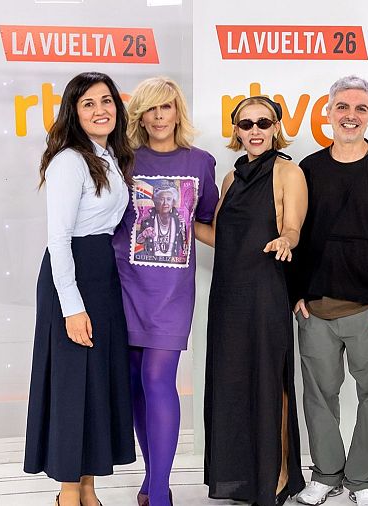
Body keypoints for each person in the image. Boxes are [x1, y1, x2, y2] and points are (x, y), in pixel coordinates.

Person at [289, 75, 368, 506]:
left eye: (360, 108)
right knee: (319, 398)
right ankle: (325, 474)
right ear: (328, 113)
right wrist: (295, 295)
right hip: (316, 311)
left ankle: (363, 481)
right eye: (342, 107)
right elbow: (293, 234)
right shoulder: (308, 170)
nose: (351, 116)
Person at [24, 71, 136, 506]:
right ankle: (68, 494)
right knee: (73, 384)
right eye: (88, 103)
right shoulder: (69, 160)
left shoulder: (109, 157)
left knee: (95, 383)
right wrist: (72, 307)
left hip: (103, 274)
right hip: (72, 275)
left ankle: (88, 489)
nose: (100, 110)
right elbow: (59, 239)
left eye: (106, 100)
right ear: (73, 111)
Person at [112, 76, 219, 506]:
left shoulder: (201, 162)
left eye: (166, 107)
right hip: (124, 286)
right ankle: (151, 478)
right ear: (140, 116)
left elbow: (208, 223)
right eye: (150, 109)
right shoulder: (122, 161)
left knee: (158, 379)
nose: (159, 116)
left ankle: (159, 492)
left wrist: (255, 243)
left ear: (178, 112)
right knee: (136, 384)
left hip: (172, 292)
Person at [203, 96, 308, 506]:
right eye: (246, 124)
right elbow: (219, 236)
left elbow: (293, 228)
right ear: (237, 131)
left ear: (276, 126)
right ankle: (244, 478)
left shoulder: (288, 172)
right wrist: (177, 220)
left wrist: (286, 240)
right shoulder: (231, 178)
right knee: (233, 384)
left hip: (265, 292)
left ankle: (278, 475)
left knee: (270, 382)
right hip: (228, 295)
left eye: (263, 122)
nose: (255, 131)